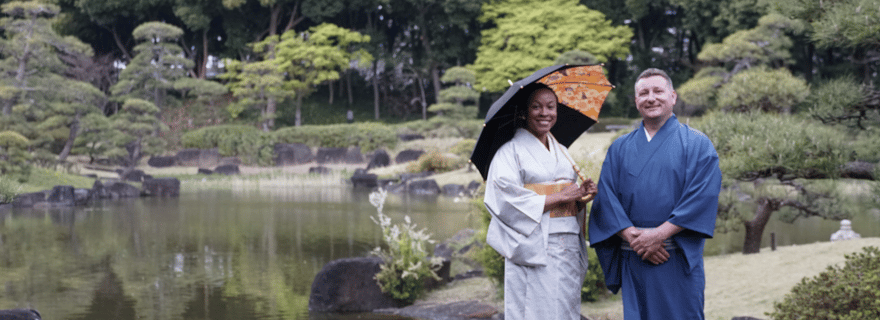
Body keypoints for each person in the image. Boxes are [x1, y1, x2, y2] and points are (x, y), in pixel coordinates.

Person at [588, 68, 722, 319]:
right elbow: (606, 198)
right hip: (634, 255)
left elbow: (703, 196)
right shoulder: (619, 148)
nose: (651, 98)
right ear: (636, 100)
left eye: (658, 91)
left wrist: (659, 234)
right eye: (644, 93)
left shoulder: (697, 144)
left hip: (674, 255)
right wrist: (635, 239)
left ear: (673, 96)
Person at [483, 83, 597, 320]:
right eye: (536, 107)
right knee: (534, 309)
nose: (545, 113)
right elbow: (504, 200)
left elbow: (570, 199)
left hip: (567, 241)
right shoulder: (509, 152)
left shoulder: (562, 151)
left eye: (550, 107)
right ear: (524, 112)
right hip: (534, 245)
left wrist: (581, 198)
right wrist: (560, 196)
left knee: (565, 307)